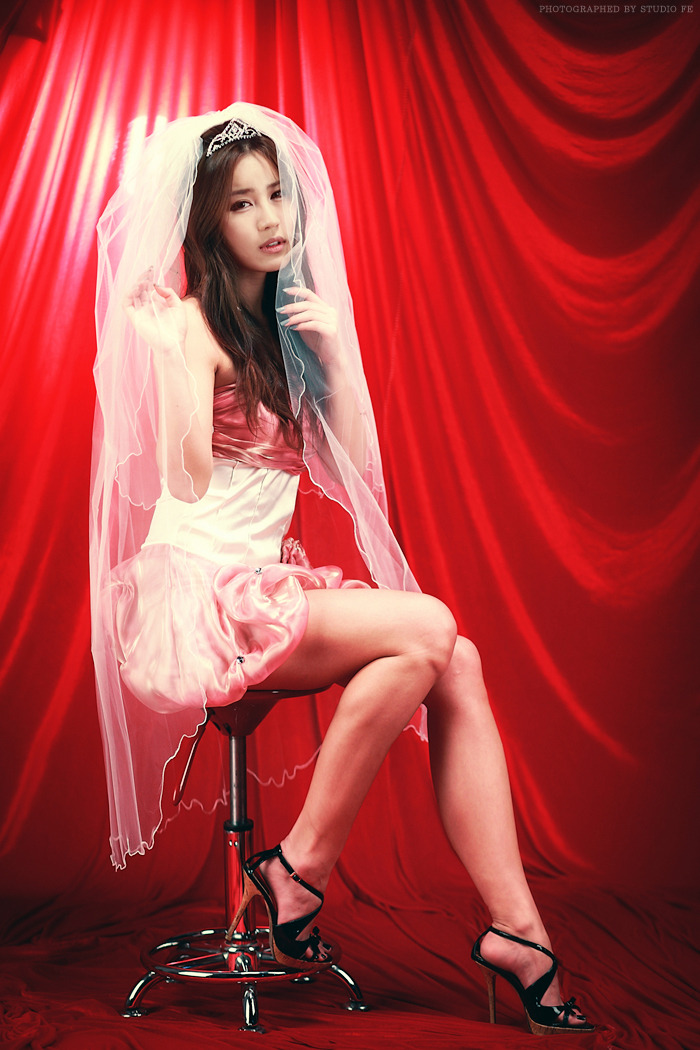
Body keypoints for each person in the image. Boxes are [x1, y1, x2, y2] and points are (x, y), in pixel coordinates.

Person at [91, 103, 593, 1035]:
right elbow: (185, 481)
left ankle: (517, 931)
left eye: (277, 194)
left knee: (455, 659)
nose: (270, 217)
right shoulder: (191, 325)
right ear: (210, 224)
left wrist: (340, 344)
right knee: (433, 627)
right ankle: (302, 868)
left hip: (259, 586)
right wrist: (173, 361)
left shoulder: (287, 327)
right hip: (196, 593)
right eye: (243, 203)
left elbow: (355, 465)